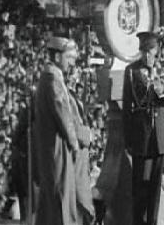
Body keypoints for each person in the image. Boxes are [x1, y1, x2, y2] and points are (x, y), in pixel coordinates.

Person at [122, 31, 164, 225]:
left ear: (156, 51)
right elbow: (127, 106)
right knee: (140, 185)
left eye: (149, 51)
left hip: (160, 135)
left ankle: (152, 221)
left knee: (154, 185)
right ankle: (139, 221)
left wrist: (163, 91)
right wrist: (128, 138)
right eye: (143, 51)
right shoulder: (132, 71)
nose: (146, 56)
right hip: (141, 135)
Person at [33, 36, 79, 225]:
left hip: (50, 147)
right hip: (56, 148)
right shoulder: (53, 79)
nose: (72, 63)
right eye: (69, 58)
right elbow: (63, 115)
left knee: (49, 198)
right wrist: (74, 142)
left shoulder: (48, 77)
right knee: (60, 196)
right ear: (58, 57)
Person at [68, 79, 95, 225]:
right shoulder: (69, 101)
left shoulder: (76, 103)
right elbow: (79, 133)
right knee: (80, 195)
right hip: (76, 155)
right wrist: (88, 135)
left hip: (81, 157)